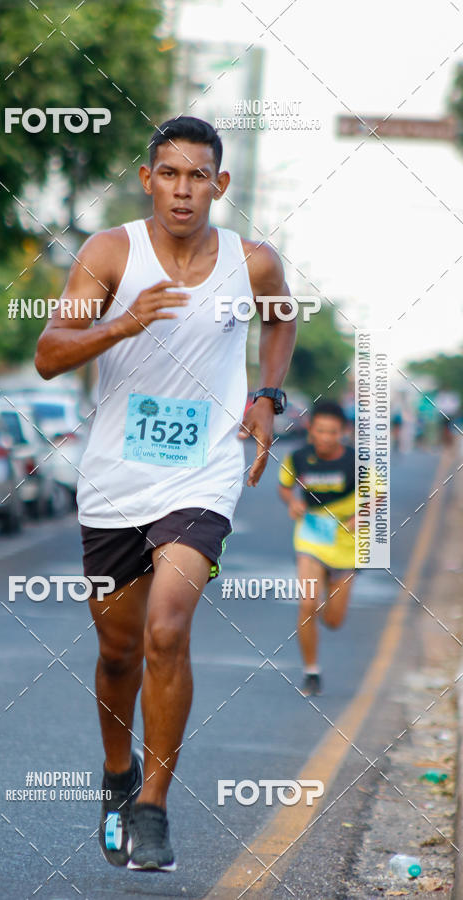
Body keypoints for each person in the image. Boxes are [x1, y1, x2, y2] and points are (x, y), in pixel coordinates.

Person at [35, 115, 296, 872]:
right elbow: (51, 353)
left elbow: (280, 324)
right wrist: (123, 323)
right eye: (169, 175)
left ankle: (153, 807)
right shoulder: (111, 252)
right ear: (149, 180)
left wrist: (268, 397)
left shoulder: (252, 263)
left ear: (219, 184)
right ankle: (117, 772)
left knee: (166, 630)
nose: (184, 191)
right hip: (116, 475)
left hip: (203, 472)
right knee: (117, 650)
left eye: (198, 177)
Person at [278, 400, 356, 696]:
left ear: (343, 432)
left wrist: (362, 513)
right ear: (311, 430)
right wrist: (292, 500)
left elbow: (377, 494)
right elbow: (285, 485)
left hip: (346, 547)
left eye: (332, 432)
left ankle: (328, 597)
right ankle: (311, 671)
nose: (325, 437)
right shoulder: (297, 457)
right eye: (320, 431)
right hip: (311, 538)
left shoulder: (356, 462)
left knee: (333, 620)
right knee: (308, 603)